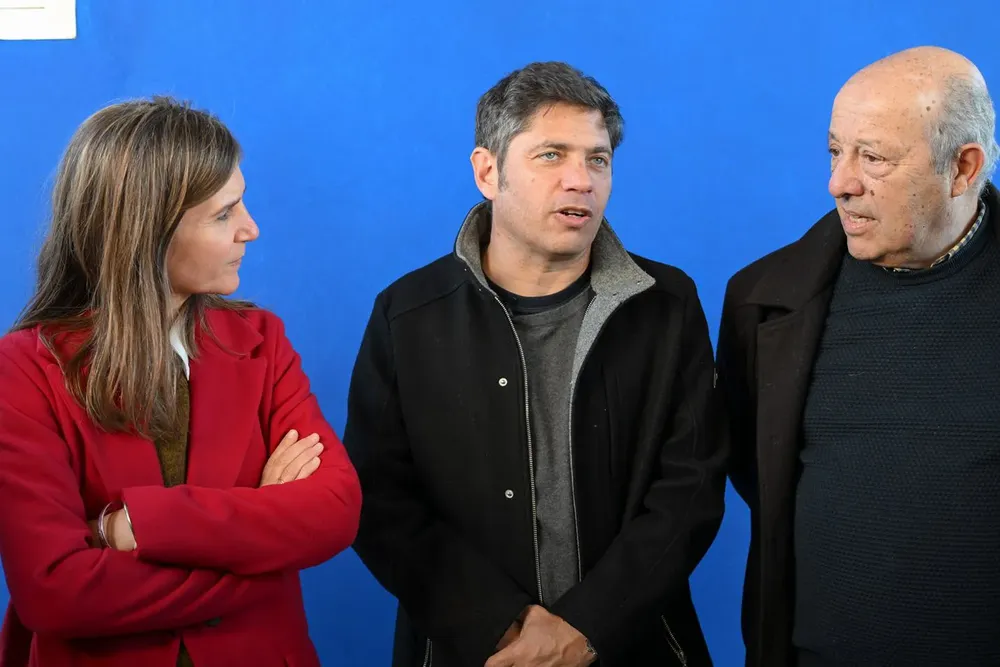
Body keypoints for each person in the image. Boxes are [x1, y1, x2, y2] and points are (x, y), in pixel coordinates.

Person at [344, 61, 726, 667]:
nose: (581, 180)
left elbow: (692, 490)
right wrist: (503, 625)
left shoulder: (667, 304)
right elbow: (379, 497)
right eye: (552, 155)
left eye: (597, 159)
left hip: (636, 646)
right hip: (473, 652)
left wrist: (585, 627)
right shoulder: (407, 314)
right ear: (487, 171)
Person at [0, 97, 362, 667]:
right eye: (224, 214)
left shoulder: (261, 341)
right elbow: (56, 594)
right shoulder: (24, 369)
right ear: (146, 232)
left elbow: (334, 510)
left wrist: (136, 525)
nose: (251, 228)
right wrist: (261, 544)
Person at [716, 46, 1000, 667]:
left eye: (873, 157)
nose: (839, 183)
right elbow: (753, 467)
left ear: (963, 168)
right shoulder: (761, 300)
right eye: (835, 151)